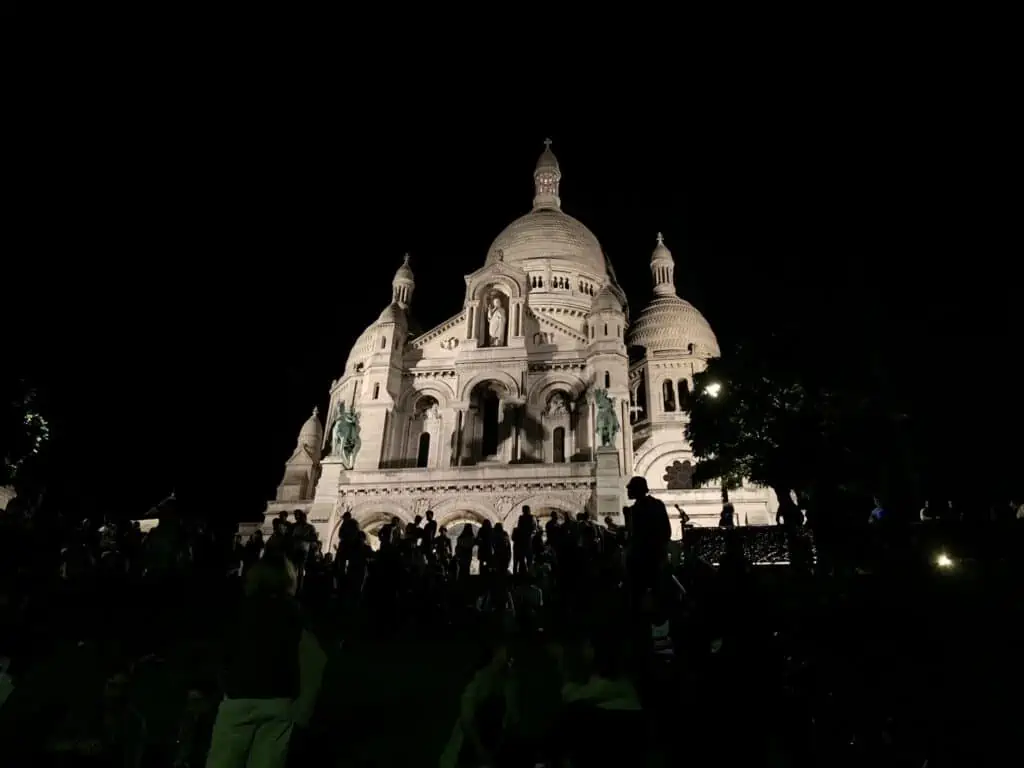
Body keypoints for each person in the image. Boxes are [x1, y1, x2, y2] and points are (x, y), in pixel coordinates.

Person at [204, 555, 326, 768]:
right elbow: (314, 657)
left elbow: (222, 650)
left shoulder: (239, 609)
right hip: (279, 700)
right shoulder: (294, 613)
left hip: (239, 697)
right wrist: (303, 708)